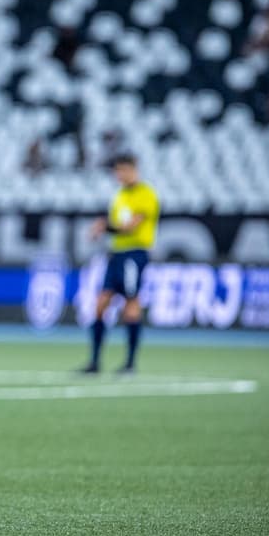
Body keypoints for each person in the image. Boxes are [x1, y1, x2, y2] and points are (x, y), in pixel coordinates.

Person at [82, 154, 159, 374]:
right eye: (117, 171)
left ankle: (130, 363)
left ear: (134, 170)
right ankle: (94, 361)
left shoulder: (146, 194)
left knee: (131, 305)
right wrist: (104, 225)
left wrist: (103, 227)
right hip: (116, 254)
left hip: (134, 254)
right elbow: (116, 222)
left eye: (123, 170)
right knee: (100, 304)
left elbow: (131, 226)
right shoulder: (119, 195)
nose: (119, 175)